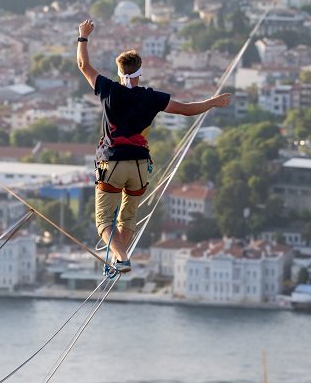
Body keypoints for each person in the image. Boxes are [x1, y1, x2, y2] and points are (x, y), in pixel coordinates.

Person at [76, 18, 231, 275]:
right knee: (127, 217)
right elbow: (186, 110)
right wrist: (213, 102)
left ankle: (122, 256)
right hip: (138, 166)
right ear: (140, 73)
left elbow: (83, 65)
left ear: (119, 71)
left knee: (104, 220)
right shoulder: (151, 97)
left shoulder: (108, 89)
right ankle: (119, 258)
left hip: (111, 162)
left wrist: (83, 36)